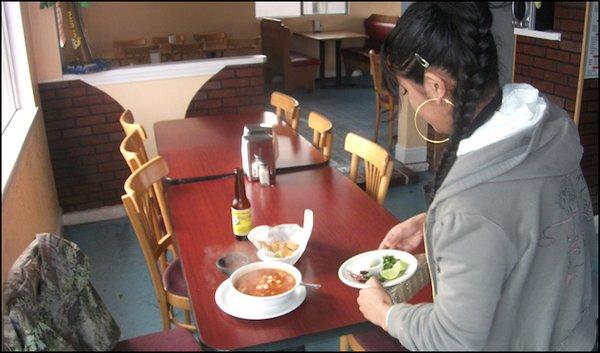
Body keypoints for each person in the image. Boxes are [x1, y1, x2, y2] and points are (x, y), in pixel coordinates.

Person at [356, 2, 597, 350]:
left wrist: (386, 313)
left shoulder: (469, 208)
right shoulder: (546, 126)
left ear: (436, 88)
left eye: (406, 91)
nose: (407, 102)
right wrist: (433, 226)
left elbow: (452, 339)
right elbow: (520, 216)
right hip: (574, 333)